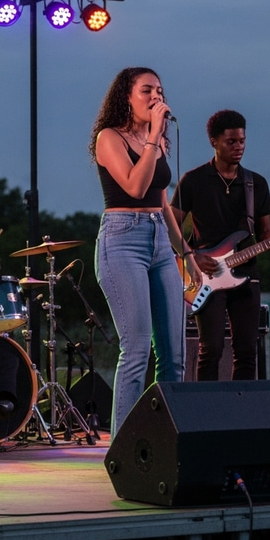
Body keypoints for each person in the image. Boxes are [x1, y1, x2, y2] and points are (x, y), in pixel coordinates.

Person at [89, 67, 202, 438]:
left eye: (159, 91)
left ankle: (164, 443)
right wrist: (153, 135)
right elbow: (135, 188)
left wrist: (186, 254)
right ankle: (123, 447)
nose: (156, 97)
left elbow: (161, 203)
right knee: (136, 349)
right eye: (146, 90)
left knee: (174, 354)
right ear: (126, 96)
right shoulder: (110, 137)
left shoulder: (159, 141)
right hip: (122, 239)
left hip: (159, 241)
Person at [171, 110, 270, 381]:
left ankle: (242, 405)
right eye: (231, 141)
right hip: (205, 274)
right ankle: (206, 406)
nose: (238, 147)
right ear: (214, 142)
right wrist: (191, 256)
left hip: (247, 274)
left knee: (247, 350)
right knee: (211, 349)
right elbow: (169, 227)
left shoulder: (255, 183)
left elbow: (265, 233)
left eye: (242, 141)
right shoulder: (193, 181)